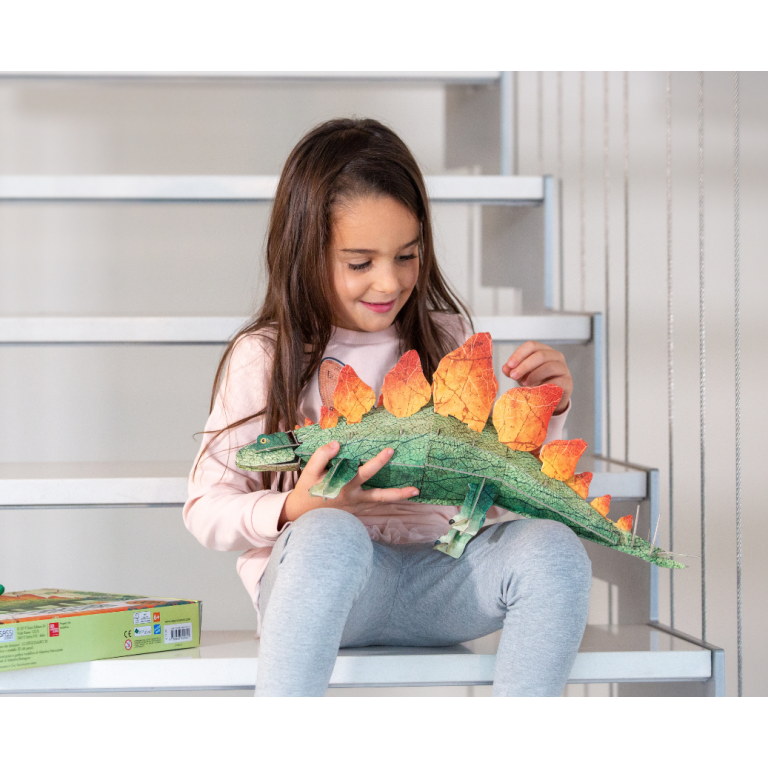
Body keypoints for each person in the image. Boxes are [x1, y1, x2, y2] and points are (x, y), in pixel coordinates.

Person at [184, 118, 592, 697]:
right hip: (332, 585)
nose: (389, 283)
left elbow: (498, 499)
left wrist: (545, 408)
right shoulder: (264, 356)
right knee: (330, 533)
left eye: (407, 255)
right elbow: (206, 509)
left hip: (445, 581)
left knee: (555, 550)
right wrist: (297, 507)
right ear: (305, 253)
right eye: (360, 263)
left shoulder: (447, 340)